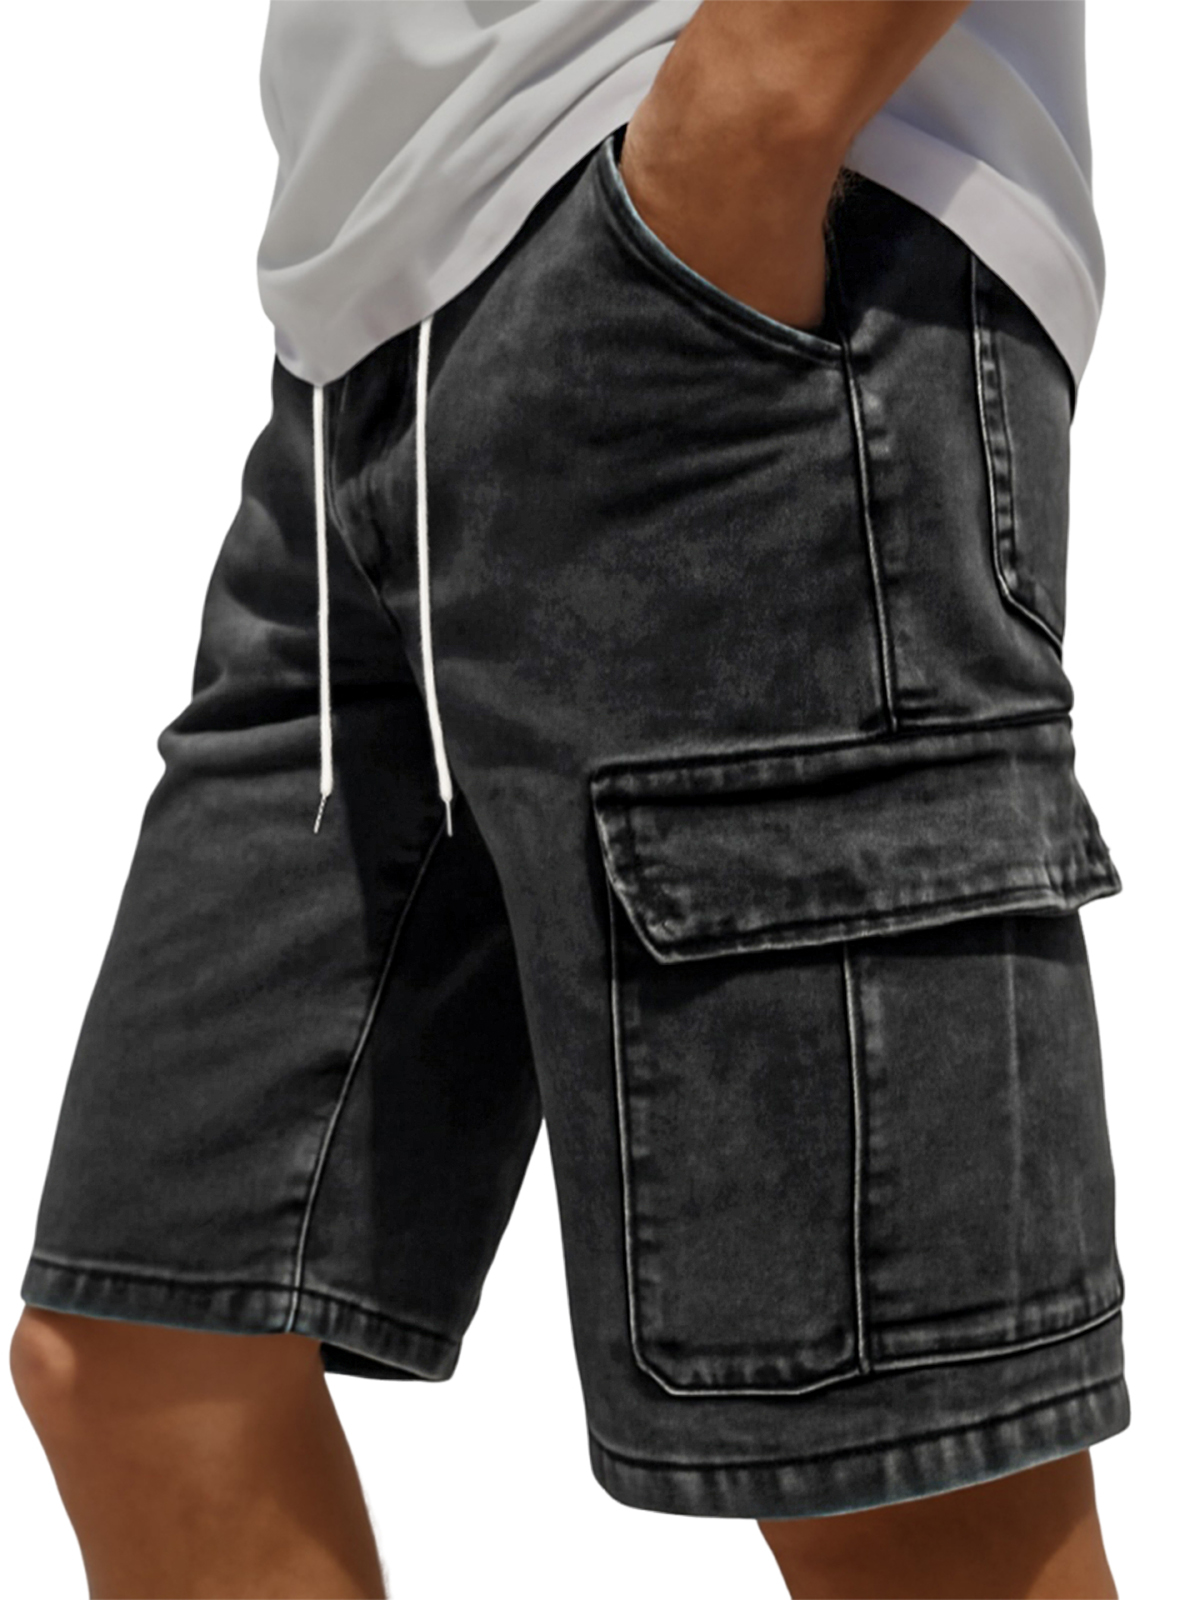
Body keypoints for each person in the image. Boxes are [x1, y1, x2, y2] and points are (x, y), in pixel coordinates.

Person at [9, 3, 1128, 1596]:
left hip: (733, 296)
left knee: (894, 1484)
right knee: (144, 1352)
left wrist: (740, 144)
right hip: (361, 348)